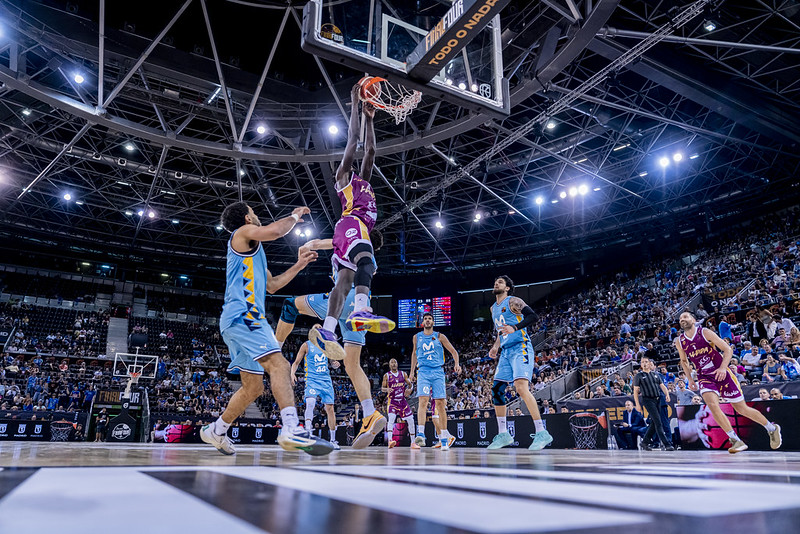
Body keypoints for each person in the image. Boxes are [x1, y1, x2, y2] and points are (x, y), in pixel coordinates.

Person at [200, 201, 333, 457]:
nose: (257, 215)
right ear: (247, 218)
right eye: (254, 212)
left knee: (254, 388)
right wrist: (293, 215)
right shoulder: (241, 234)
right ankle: (291, 427)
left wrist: (299, 266)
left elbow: (272, 285)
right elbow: (275, 231)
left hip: (238, 321)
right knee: (280, 365)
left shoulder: (255, 252)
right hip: (245, 317)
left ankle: (217, 430)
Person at [278, 232, 387, 449]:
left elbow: (317, 243)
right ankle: (369, 413)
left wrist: (306, 246)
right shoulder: (370, 259)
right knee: (353, 365)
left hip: (342, 301)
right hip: (360, 308)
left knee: (290, 305)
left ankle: (275, 348)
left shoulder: (352, 241)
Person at [310, 85, 395, 361]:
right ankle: (361, 309)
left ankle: (328, 329)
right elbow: (354, 141)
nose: (355, 162)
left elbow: (370, 151)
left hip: (353, 231)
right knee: (367, 263)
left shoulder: (365, 181)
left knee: (344, 282)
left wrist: (371, 117)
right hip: (350, 225)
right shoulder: (343, 178)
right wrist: (354, 105)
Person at [675, 311, 781, 453]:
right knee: (712, 405)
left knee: (741, 409)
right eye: (681, 318)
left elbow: (727, 349)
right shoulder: (679, 341)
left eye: (686, 317)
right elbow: (684, 361)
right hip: (704, 376)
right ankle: (735, 440)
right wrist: (689, 378)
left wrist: (723, 368)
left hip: (721, 372)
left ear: (693, 320)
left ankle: (772, 428)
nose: (683, 319)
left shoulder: (704, 332)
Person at [486, 276, 553, 451]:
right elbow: (502, 332)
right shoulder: (493, 308)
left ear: (507, 288)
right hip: (506, 351)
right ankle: (503, 434)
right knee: (497, 390)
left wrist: (515, 328)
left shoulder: (513, 301)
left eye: (500, 282)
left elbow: (533, 316)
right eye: (496, 281)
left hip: (520, 347)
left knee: (521, 387)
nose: (496, 283)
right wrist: (495, 347)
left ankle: (541, 432)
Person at [409, 312, 461, 450]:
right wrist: (411, 372)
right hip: (423, 372)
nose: (427, 321)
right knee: (423, 401)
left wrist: (457, 364)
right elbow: (414, 354)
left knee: (440, 404)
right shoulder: (417, 337)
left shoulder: (440, 336)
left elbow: (454, 351)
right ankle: (421, 433)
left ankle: (444, 438)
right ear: (422, 322)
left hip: (438, 371)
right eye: (425, 319)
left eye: (430, 319)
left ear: (433, 322)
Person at [290, 338, 341, 449]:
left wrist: (335, 364)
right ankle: (308, 430)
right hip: (312, 379)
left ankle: (333, 440)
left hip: (326, 381)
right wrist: (292, 373)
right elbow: (296, 362)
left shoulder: (327, 345)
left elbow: (332, 362)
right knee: (310, 402)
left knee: (330, 409)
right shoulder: (306, 345)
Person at [380, 358, 417, 449]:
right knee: (391, 420)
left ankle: (413, 442)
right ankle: (390, 441)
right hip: (392, 401)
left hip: (402, 401)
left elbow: (410, 384)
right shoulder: (386, 376)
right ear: (389, 365)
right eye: (391, 362)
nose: (393, 364)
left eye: (395, 362)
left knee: (411, 420)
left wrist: (410, 389)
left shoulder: (403, 374)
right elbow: (382, 388)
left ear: (397, 364)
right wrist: (387, 389)